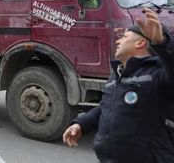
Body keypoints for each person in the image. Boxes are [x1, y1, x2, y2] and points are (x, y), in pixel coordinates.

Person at [62, 9, 174, 162]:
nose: (118, 41)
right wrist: (82, 124)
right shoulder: (117, 75)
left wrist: (163, 43)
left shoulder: (158, 75)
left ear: (140, 42)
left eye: (124, 37)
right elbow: (106, 107)